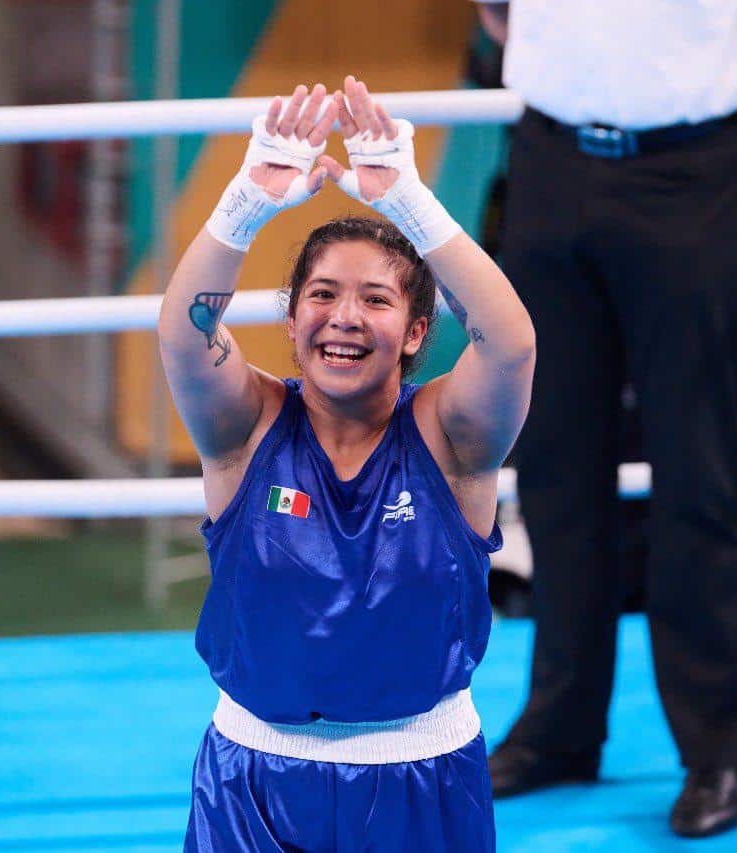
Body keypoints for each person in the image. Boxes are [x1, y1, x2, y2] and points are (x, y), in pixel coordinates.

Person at [474, 0, 737, 838]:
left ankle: (717, 750)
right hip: (547, 160)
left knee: (699, 469)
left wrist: (729, 129)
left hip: (695, 174)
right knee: (554, 464)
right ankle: (558, 728)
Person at [157, 76, 535, 851]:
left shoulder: (451, 439)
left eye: (376, 299)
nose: (346, 317)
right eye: (323, 294)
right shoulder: (246, 427)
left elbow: (513, 343)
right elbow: (182, 336)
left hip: (421, 777)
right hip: (251, 787)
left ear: (418, 330)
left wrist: (411, 204)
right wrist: (244, 205)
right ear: (292, 321)